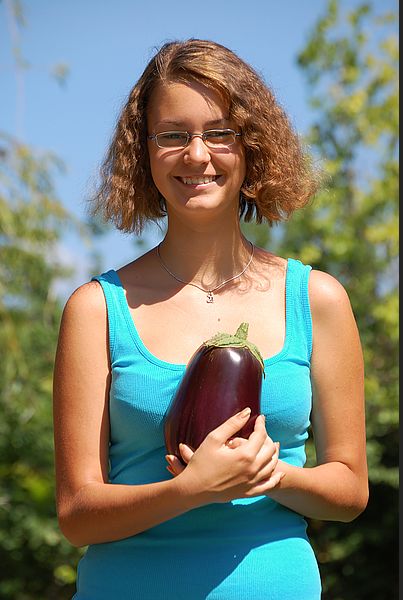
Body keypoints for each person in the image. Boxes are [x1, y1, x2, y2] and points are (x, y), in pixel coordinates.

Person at [53, 39, 368, 600]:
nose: (197, 155)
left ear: (252, 146)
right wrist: (190, 490)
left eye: (219, 132)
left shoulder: (318, 298)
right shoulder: (95, 309)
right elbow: (78, 515)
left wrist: (269, 475)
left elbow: (349, 490)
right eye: (172, 135)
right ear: (142, 153)